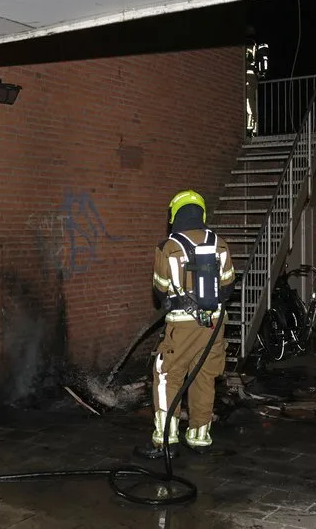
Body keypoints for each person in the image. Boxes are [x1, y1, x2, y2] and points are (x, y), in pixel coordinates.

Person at [135, 191, 235, 458]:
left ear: (174, 215)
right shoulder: (220, 243)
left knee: (167, 375)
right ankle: (199, 437)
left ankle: (165, 440)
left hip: (182, 326)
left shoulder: (168, 247)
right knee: (204, 375)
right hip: (215, 324)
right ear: (200, 213)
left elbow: (160, 288)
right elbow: (227, 286)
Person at [246, 29, 270, 137]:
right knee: (252, 101)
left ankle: (250, 128)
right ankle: (253, 128)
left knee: (248, 101)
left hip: (248, 76)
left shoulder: (248, 44)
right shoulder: (256, 44)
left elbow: (247, 60)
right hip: (253, 77)